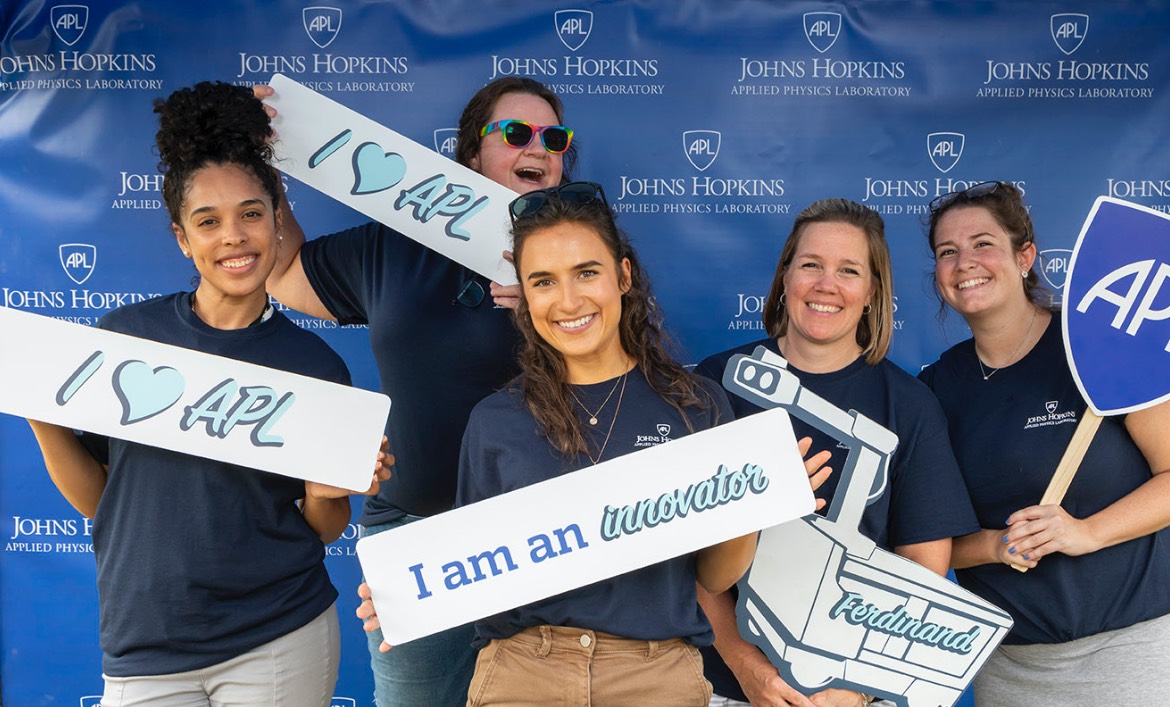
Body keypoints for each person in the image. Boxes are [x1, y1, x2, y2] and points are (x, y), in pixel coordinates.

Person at [360, 182, 830, 705]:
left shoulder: (697, 406)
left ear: (623, 276)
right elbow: (479, 571)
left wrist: (757, 504)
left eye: (586, 272)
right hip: (523, 673)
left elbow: (712, 577)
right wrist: (414, 593)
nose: (568, 301)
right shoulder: (495, 422)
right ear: (524, 294)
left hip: (656, 676)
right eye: (542, 281)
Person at [23, 81, 388, 706]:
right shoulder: (124, 339)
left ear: (278, 220)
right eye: (208, 221)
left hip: (279, 638)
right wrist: (43, 417)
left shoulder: (314, 365)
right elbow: (100, 502)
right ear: (180, 237)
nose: (234, 237)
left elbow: (324, 528)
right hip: (144, 646)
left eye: (251, 213)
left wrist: (330, 495)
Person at [253, 76, 576, 705]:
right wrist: (270, 161)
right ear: (471, 152)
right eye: (515, 133)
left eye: (554, 138)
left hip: (546, 534)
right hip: (413, 533)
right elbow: (285, 273)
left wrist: (552, 309)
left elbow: (629, 368)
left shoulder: (578, 258)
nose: (537, 147)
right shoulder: (393, 244)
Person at [694, 198, 980, 707]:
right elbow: (684, 552)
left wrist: (858, 688)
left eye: (849, 270)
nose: (827, 285)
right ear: (785, 277)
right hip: (725, 683)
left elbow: (921, 566)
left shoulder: (908, 406)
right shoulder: (715, 386)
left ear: (872, 292)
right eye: (811, 265)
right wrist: (745, 667)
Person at [918, 181, 1170, 704]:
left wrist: (1087, 533)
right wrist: (992, 546)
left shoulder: (1100, 346)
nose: (966, 262)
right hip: (1010, 667)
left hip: (1134, 650)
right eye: (948, 252)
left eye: (983, 243)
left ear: (1025, 256)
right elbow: (924, 538)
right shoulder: (935, 389)